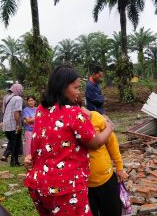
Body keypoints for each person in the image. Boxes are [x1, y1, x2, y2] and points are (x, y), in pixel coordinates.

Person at [24, 65, 114, 216]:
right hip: (66, 189)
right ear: (63, 87)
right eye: (76, 88)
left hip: (39, 185)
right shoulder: (74, 114)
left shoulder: (41, 109)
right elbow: (95, 143)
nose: (79, 93)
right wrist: (109, 128)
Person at [81, 107, 128, 216]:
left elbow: (112, 143)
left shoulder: (96, 117)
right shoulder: (66, 124)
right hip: (82, 185)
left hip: (106, 179)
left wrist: (119, 167)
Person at [0, 84, 24, 166]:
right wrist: (18, 124)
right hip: (13, 124)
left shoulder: (7, 97)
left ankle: (13, 161)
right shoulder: (18, 99)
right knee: (16, 144)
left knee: (12, 142)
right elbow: (16, 112)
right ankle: (14, 162)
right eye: (21, 89)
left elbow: (3, 111)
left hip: (6, 124)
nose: (22, 91)